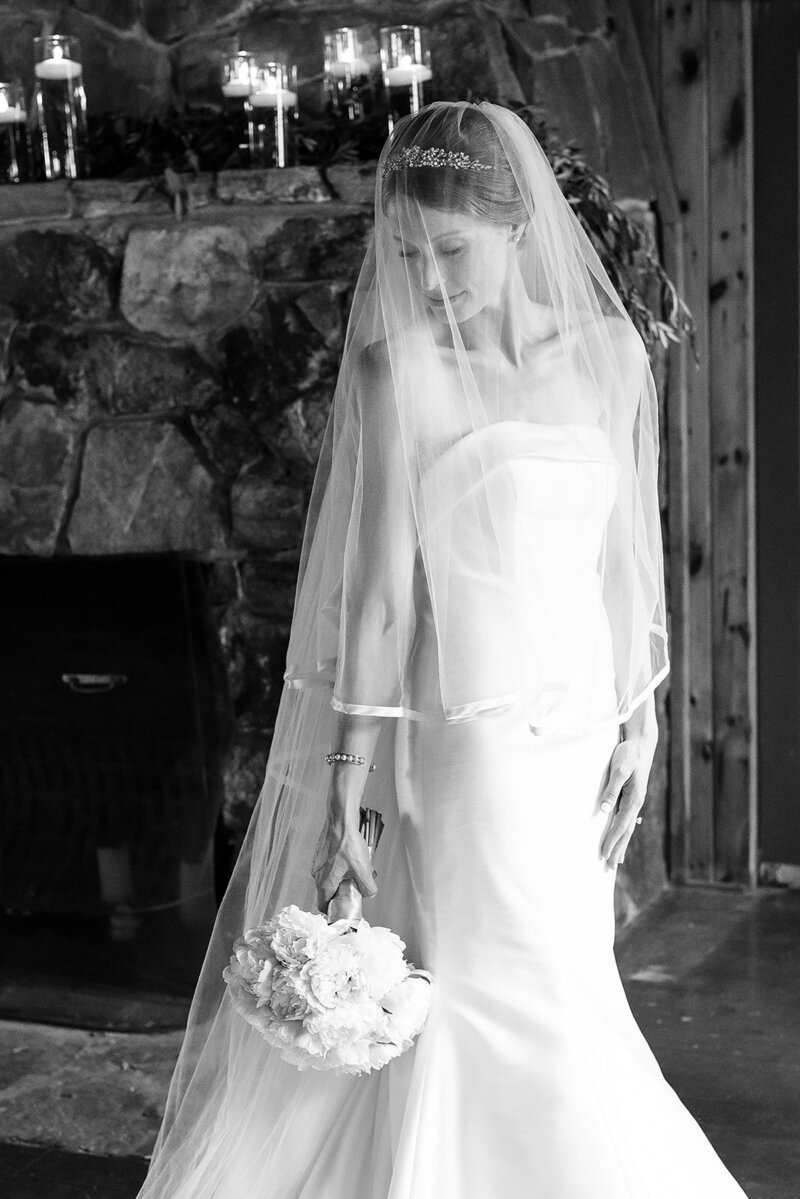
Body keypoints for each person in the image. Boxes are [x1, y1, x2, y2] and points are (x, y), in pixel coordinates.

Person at [137, 101, 747, 1198]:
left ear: (519, 227)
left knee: (568, 982)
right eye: (406, 253)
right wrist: (348, 785)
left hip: (581, 740)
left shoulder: (612, 352)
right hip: (471, 742)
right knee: (512, 992)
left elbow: (622, 553)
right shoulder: (397, 370)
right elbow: (377, 604)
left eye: (449, 251)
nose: (425, 280)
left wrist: (642, 716)